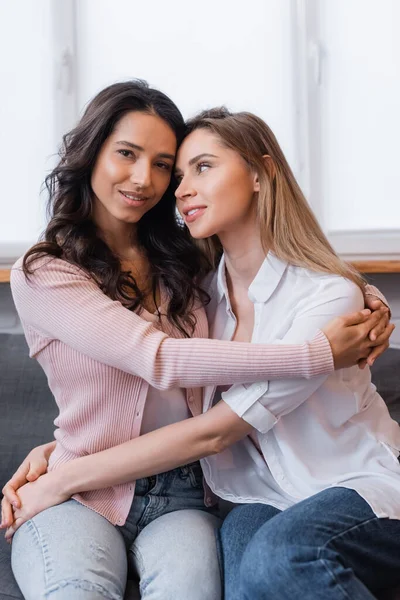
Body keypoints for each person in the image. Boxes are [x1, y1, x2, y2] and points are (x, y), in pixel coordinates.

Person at [1, 89, 393, 600]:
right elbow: (154, 362)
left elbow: (210, 421)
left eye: (171, 166)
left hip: (244, 491)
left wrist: (361, 297)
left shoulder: (188, 274)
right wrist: (64, 459)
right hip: (155, 494)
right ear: (91, 152)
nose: (153, 181)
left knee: (243, 575)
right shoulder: (65, 273)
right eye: (127, 153)